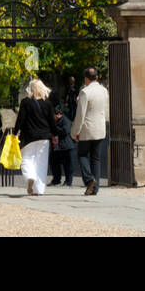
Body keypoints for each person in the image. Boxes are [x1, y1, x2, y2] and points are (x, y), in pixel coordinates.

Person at [70, 67, 109, 196]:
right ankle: (95, 187)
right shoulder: (104, 90)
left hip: (87, 128)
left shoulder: (85, 92)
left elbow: (80, 114)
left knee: (82, 155)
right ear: (96, 77)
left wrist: (75, 131)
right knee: (96, 159)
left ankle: (89, 180)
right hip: (100, 128)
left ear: (86, 78)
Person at [14, 79, 55, 196]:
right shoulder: (47, 103)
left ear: (30, 89)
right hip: (45, 136)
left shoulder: (25, 102)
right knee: (41, 163)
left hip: (29, 136)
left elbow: (21, 119)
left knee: (26, 159)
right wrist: (55, 134)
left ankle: (30, 177)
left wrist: (15, 133)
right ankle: (39, 190)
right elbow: (51, 121)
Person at [49, 104, 75, 187]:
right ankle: (56, 180)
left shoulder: (65, 120)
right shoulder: (54, 121)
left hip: (66, 146)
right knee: (54, 163)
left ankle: (68, 181)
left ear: (58, 114)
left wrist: (55, 131)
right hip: (56, 146)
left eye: (53, 115)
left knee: (67, 164)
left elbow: (65, 131)